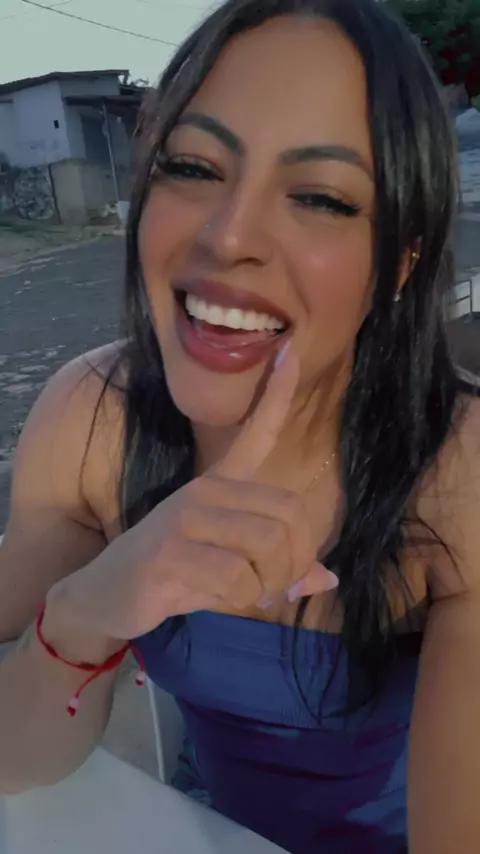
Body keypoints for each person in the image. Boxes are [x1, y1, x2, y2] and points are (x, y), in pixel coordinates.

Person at [0, 1, 479, 851]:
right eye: (193, 166)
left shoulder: (458, 470)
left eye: (321, 197)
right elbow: (17, 761)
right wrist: (87, 607)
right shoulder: (92, 422)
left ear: (399, 264)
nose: (228, 238)